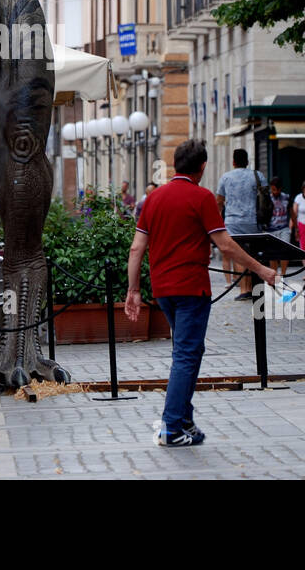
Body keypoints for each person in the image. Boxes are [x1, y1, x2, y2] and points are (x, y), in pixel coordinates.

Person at [124, 139, 277, 447]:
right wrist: (261, 269)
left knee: (189, 351)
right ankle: (171, 427)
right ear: (203, 167)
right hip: (192, 287)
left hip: (163, 289)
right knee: (186, 354)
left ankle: (185, 420)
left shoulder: (154, 198)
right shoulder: (202, 197)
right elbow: (225, 245)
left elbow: (136, 248)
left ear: (175, 164)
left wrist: (133, 290)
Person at [215, 149, 267, 300]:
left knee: (238, 254)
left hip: (232, 222)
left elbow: (219, 200)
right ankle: (254, 288)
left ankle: (244, 289)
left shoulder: (226, 178)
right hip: (253, 221)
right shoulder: (257, 176)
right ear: (247, 161)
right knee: (253, 254)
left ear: (233, 161)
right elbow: (265, 197)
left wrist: (218, 217)